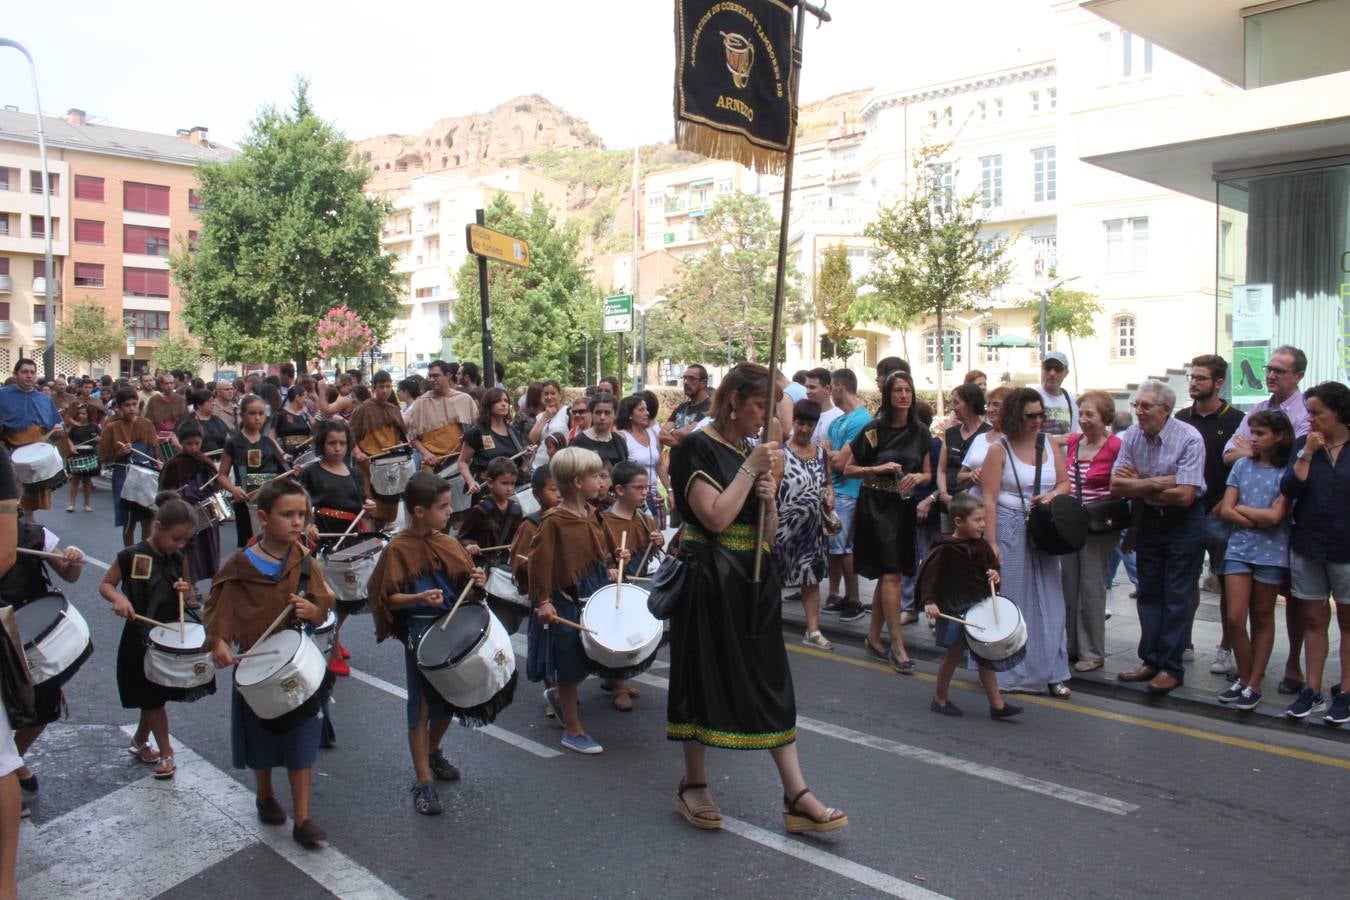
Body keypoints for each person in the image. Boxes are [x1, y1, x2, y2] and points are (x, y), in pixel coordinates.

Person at [666, 363, 845, 834]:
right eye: (759, 407)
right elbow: (716, 518)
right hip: (709, 581)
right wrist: (751, 472)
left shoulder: (753, 451)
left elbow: (764, 531)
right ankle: (694, 783)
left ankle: (796, 793)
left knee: (771, 682)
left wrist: (769, 496)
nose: (769, 418)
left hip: (753, 581)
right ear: (733, 401)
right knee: (702, 678)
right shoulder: (695, 448)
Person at [206, 478, 336, 846]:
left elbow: (325, 602)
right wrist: (218, 643)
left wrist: (313, 610)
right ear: (263, 518)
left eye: (302, 514)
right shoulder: (239, 567)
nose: (297, 522)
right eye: (287, 515)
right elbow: (218, 612)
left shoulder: (304, 560)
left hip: (296, 663)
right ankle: (264, 794)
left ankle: (304, 818)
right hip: (257, 664)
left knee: (302, 741)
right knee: (261, 737)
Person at [366, 472, 486, 815]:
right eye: (442, 507)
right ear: (419, 511)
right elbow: (384, 598)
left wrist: (477, 578)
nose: (450, 512)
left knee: (451, 700)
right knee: (419, 708)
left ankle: (433, 751)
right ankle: (423, 781)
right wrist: (417, 597)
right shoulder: (398, 549)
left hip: (453, 633)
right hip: (420, 635)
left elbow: (469, 589)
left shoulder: (448, 543)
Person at [1223, 344, 1311, 695]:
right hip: (1247, 536)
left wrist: (1255, 449)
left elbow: (1296, 460)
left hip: (1289, 522)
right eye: (1269, 369)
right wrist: (1255, 450)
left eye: (1279, 370)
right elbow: (1230, 452)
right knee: (1239, 614)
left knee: (1291, 602)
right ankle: (1248, 679)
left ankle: (1290, 665)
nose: (1270, 375)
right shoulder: (1259, 409)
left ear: (1298, 375)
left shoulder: (1305, 411)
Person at [1110, 380, 1208, 694]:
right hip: (1150, 519)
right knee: (1149, 592)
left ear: (1166, 409)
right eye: (1136, 405)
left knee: (1176, 596)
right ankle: (1150, 661)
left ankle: (1171, 667)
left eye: (1146, 406)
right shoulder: (1133, 436)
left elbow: (1185, 496)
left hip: (1184, 523)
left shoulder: (1189, 438)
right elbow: (1117, 485)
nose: (1138, 411)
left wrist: (1141, 482)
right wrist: (1162, 481)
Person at [526, 447, 624, 754]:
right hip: (566, 597)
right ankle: (573, 729)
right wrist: (543, 600)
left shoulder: (591, 514)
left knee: (587, 659)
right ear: (578, 482)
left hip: (591, 591)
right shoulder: (554, 521)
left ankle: (558, 697)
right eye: (596, 476)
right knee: (569, 664)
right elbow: (539, 563)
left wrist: (611, 563)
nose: (602, 481)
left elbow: (597, 548)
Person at [100, 492, 204, 781]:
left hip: (169, 633)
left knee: (155, 695)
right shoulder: (130, 556)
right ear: (157, 527)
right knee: (153, 697)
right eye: (176, 538)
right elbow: (107, 585)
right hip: (141, 636)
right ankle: (167, 752)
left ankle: (139, 741)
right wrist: (119, 600)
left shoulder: (178, 556)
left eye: (186, 540)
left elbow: (190, 593)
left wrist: (187, 590)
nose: (180, 545)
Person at [837, 371, 930, 674]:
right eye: (898, 391)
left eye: (908, 390)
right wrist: (877, 468)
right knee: (891, 574)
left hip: (903, 506)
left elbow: (929, 473)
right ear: (888, 395)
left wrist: (920, 477)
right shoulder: (874, 429)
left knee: (892, 573)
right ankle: (897, 645)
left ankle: (874, 636)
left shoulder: (921, 431)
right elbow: (847, 469)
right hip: (875, 506)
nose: (904, 395)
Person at [981, 388, 1072, 696]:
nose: (1037, 421)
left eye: (1040, 415)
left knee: (1050, 602)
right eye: (1030, 415)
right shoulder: (999, 449)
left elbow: (1064, 483)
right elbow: (989, 500)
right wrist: (991, 543)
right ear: (1015, 416)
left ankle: (1054, 671)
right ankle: (1008, 672)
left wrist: (1052, 496)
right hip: (1009, 528)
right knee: (1013, 601)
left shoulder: (1048, 444)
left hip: (1043, 531)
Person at [0, 516, 84, 810]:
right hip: (2, 632)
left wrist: (73, 559)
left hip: (33, 632)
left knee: (43, 710)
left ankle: (13, 764)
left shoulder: (35, 534)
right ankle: (14, 773)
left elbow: (69, 574)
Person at [1279, 382, 1350, 724]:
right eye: (1308, 412)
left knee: (1348, 622)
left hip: (1346, 547)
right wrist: (1306, 453)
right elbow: (1289, 489)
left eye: (1317, 412)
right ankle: (1312, 689)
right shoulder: (1302, 445)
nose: (1310, 418)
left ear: (1338, 412)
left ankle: (1346, 693)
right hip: (1308, 543)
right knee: (1313, 618)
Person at [1215, 409, 1294, 712]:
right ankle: (1244, 677)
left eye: (1260, 434)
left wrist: (1247, 512)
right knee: (1235, 617)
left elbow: (1277, 515)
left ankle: (1255, 682)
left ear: (1279, 436)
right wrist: (1256, 519)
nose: (1253, 439)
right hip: (1241, 547)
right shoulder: (1242, 467)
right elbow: (1226, 509)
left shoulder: (1286, 471)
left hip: (1272, 552)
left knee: (1262, 616)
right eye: (1253, 433)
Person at [1175, 354, 1247, 675]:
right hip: (1187, 511)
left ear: (1218, 383)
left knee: (1226, 582)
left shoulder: (1238, 420)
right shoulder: (1179, 418)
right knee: (1184, 580)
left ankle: (1225, 648)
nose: (1193, 383)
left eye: (1201, 378)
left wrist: (1228, 502)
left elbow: (1242, 466)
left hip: (1221, 511)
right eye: (1192, 377)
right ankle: (1184, 643)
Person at [918, 492, 1020, 718]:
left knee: (985, 656)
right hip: (956, 609)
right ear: (958, 521)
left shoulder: (981, 546)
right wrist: (930, 602)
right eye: (978, 520)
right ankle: (940, 698)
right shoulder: (945, 549)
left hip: (978, 608)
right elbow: (930, 577)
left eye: (984, 520)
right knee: (953, 655)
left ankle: (997, 705)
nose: (983, 525)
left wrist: (995, 575)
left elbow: (990, 569)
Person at [1061, 391, 1122, 673]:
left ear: (1105, 418)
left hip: (1098, 526)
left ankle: (1093, 651)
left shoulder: (1115, 446)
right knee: (1069, 586)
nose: (1083, 420)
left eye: (1090, 415)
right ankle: (1073, 646)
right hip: (1072, 523)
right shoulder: (1074, 442)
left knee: (1091, 587)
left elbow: (1124, 482)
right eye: (1081, 414)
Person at [599, 460, 664, 711]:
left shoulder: (646, 520)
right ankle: (618, 685)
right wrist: (610, 567)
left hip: (636, 584)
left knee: (632, 631)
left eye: (646, 487)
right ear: (619, 490)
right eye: (638, 488)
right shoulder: (603, 520)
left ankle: (616, 679)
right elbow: (598, 555)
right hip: (614, 585)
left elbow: (654, 554)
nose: (644, 492)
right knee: (616, 633)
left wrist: (657, 540)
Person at [775, 400, 833, 650]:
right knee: (776, 578)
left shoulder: (821, 453)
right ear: (793, 422)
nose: (804, 430)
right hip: (784, 528)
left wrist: (829, 494)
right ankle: (770, 627)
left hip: (813, 529)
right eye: (800, 423)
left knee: (811, 579)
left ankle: (813, 630)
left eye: (810, 425)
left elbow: (827, 483)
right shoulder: (781, 453)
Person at [821, 368, 872, 623]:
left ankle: (855, 600)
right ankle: (842, 596)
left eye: (830, 387)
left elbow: (840, 462)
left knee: (845, 547)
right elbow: (829, 459)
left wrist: (829, 454)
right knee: (836, 547)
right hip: (835, 491)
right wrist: (830, 456)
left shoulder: (862, 421)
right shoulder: (839, 421)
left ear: (839, 386)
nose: (830, 392)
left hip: (850, 492)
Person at [217, 395, 290, 545]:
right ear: (243, 415)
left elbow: (284, 469)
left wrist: (292, 470)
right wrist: (234, 490)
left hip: (271, 499)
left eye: (261, 414)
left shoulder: (269, 442)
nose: (257, 418)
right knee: (250, 544)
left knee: (273, 542)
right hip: (245, 499)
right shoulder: (233, 443)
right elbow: (222, 476)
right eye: (252, 414)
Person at [158, 421, 222, 589]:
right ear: (180, 442)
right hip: (184, 515)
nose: (193, 448)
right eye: (189, 444)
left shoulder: (206, 462)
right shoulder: (173, 464)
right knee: (187, 552)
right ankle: (189, 587)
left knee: (209, 551)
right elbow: (165, 491)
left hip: (206, 513)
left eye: (197, 443)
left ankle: (216, 588)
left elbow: (215, 486)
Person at [98, 388, 162, 547]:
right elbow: (104, 458)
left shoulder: (146, 424)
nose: (132, 408)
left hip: (146, 475)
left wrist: (158, 462)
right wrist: (119, 453)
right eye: (127, 405)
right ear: (118, 407)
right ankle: (129, 555)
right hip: (124, 476)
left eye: (134, 404)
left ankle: (144, 553)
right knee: (129, 521)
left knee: (148, 518)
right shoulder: (112, 427)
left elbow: (154, 451)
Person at [0, 359, 65, 512]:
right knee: (10, 500)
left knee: (31, 503)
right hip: (9, 454)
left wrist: (58, 431)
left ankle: (27, 528)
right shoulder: (2, 396)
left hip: (37, 457)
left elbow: (57, 427)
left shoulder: (44, 399)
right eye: (24, 372)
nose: (29, 376)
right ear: (16, 374)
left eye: (32, 372)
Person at [350, 371, 410, 526]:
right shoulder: (363, 409)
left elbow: (401, 436)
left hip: (391, 464)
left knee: (389, 513)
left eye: (388, 386)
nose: (385, 390)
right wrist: (357, 452)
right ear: (373, 388)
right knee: (372, 511)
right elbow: (349, 436)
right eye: (381, 386)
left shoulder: (394, 409)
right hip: (369, 466)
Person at [935, 382, 991, 532]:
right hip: (947, 505)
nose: (953, 407)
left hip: (973, 506)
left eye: (957, 402)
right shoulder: (950, 433)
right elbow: (941, 469)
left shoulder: (988, 435)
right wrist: (944, 495)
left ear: (971, 404)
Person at [406, 360, 477, 473]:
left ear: (448, 376)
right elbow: (413, 438)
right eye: (430, 376)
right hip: (432, 466)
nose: (432, 380)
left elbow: (477, 430)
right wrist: (426, 453)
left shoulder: (464, 399)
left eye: (436, 376)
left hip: (459, 463)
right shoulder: (421, 402)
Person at [456, 457, 525, 570]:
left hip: (507, 566)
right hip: (483, 566)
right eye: (504, 483)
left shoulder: (516, 510)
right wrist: (469, 546)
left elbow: (519, 539)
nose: (509, 488)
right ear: (490, 482)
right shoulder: (480, 509)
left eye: (512, 484)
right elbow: (462, 537)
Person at [457, 386, 526, 497]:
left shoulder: (512, 431)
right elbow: (462, 462)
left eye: (506, 401)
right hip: (487, 492)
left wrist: (528, 455)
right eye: (498, 401)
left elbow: (521, 466)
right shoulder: (477, 431)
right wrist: (471, 482)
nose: (504, 404)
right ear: (488, 405)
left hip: (512, 491)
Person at [618, 394, 671, 529]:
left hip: (654, 496)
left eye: (646, 409)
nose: (646, 413)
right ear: (630, 414)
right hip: (635, 497)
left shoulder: (652, 434)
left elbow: (660, 464)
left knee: (656, 540)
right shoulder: (622, 436)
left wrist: (670, 490)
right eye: (641, 410)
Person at [569, 392, 627, 483]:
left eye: (607, 413)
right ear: (592, 413)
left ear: (615, 415)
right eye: (598, 412)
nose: (602, 417)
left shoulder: (619, 441)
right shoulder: (579, 442)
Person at [61, 401, 100, 513]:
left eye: (84, 414)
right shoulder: (74, 427)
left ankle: (87, 504)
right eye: (80, 413)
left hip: (89, 454)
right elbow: (68, 437)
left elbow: (100, 439)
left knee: (87, 481)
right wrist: (71, 446)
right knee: (75, 480)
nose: (81, 416)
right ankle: (71, 504)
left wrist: (98, 439)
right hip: (76, 455)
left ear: (89, 415)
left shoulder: (94, 427)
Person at [660, 365, 712, 450]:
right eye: (685, 378)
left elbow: (689, 432)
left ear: (703, 383)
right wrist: (681, 443)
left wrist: (671, 434)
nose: (686, 382)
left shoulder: (710, 407)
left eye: (691, 378)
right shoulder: (682, 407)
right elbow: (662, 434)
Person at [1034, 351, 1077, 438]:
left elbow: (1074, 433)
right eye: (1048, 367)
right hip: (1039, 451)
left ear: (1066, 373)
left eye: (1058, 368)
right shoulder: (1032, 396)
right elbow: (1025, 436)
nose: (1052, 373)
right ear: (1042, 369)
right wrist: (1056, 441)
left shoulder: (1070, 398)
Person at [527, 380, 570, 468]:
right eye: (546, 394)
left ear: (559, 395)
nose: (549, 397)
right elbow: (532, 438)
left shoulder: (567, 412)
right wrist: (545, 417)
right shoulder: (541, 416)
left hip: (560, 464)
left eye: (553, 393)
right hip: (538, 464)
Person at [803, 368, 841, 447]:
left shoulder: (839, 417)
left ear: (827, 388)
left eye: (812, 387)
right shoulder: (803, 414)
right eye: (806, 387)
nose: (807, 392)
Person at [185, 388, 230, 455]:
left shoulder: (216, 419)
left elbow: (228, 438)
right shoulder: (189, 421)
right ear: (199, 405)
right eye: (210, 401)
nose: (213, 404)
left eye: (213, 401)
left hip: (221, 457)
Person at [271, 386, 313, 457]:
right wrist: (282, 453)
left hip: (306, 454)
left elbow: (314, 427)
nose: (306, 400)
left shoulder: (304, 414)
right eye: (305, 397)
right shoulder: (280, 414)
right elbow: (271, 437)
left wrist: (307, 414)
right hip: (288, 454)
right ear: (297, 397)